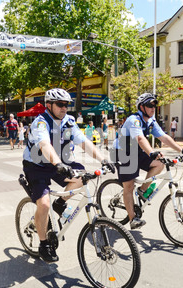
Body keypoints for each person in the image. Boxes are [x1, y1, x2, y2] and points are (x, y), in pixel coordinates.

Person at [22, 88, 114, 263]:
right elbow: (44, 145)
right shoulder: (41, 123)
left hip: (60, 162)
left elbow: (84, 142)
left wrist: (103, 159)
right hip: (37, 165)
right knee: (43, 204)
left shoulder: (69, 122)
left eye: (67, 104)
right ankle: (43, 244)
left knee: (84, 177)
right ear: (49, 105)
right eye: (60, 104)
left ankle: (60, 203)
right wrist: (58, 164)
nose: (64, 108)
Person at [112, 93, 183, 230]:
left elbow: (164, 137)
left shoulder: (151, 121)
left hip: (137, 152)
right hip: (123, 153)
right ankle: (133, 219)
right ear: (142, 107)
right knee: (129, 186)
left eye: (155, 105)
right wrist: (152, 153)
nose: (153, 108)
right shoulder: (134, 120)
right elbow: (140, 138)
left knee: (159, 164)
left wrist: (181, 150)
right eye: (150, 105)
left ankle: (143, 191)